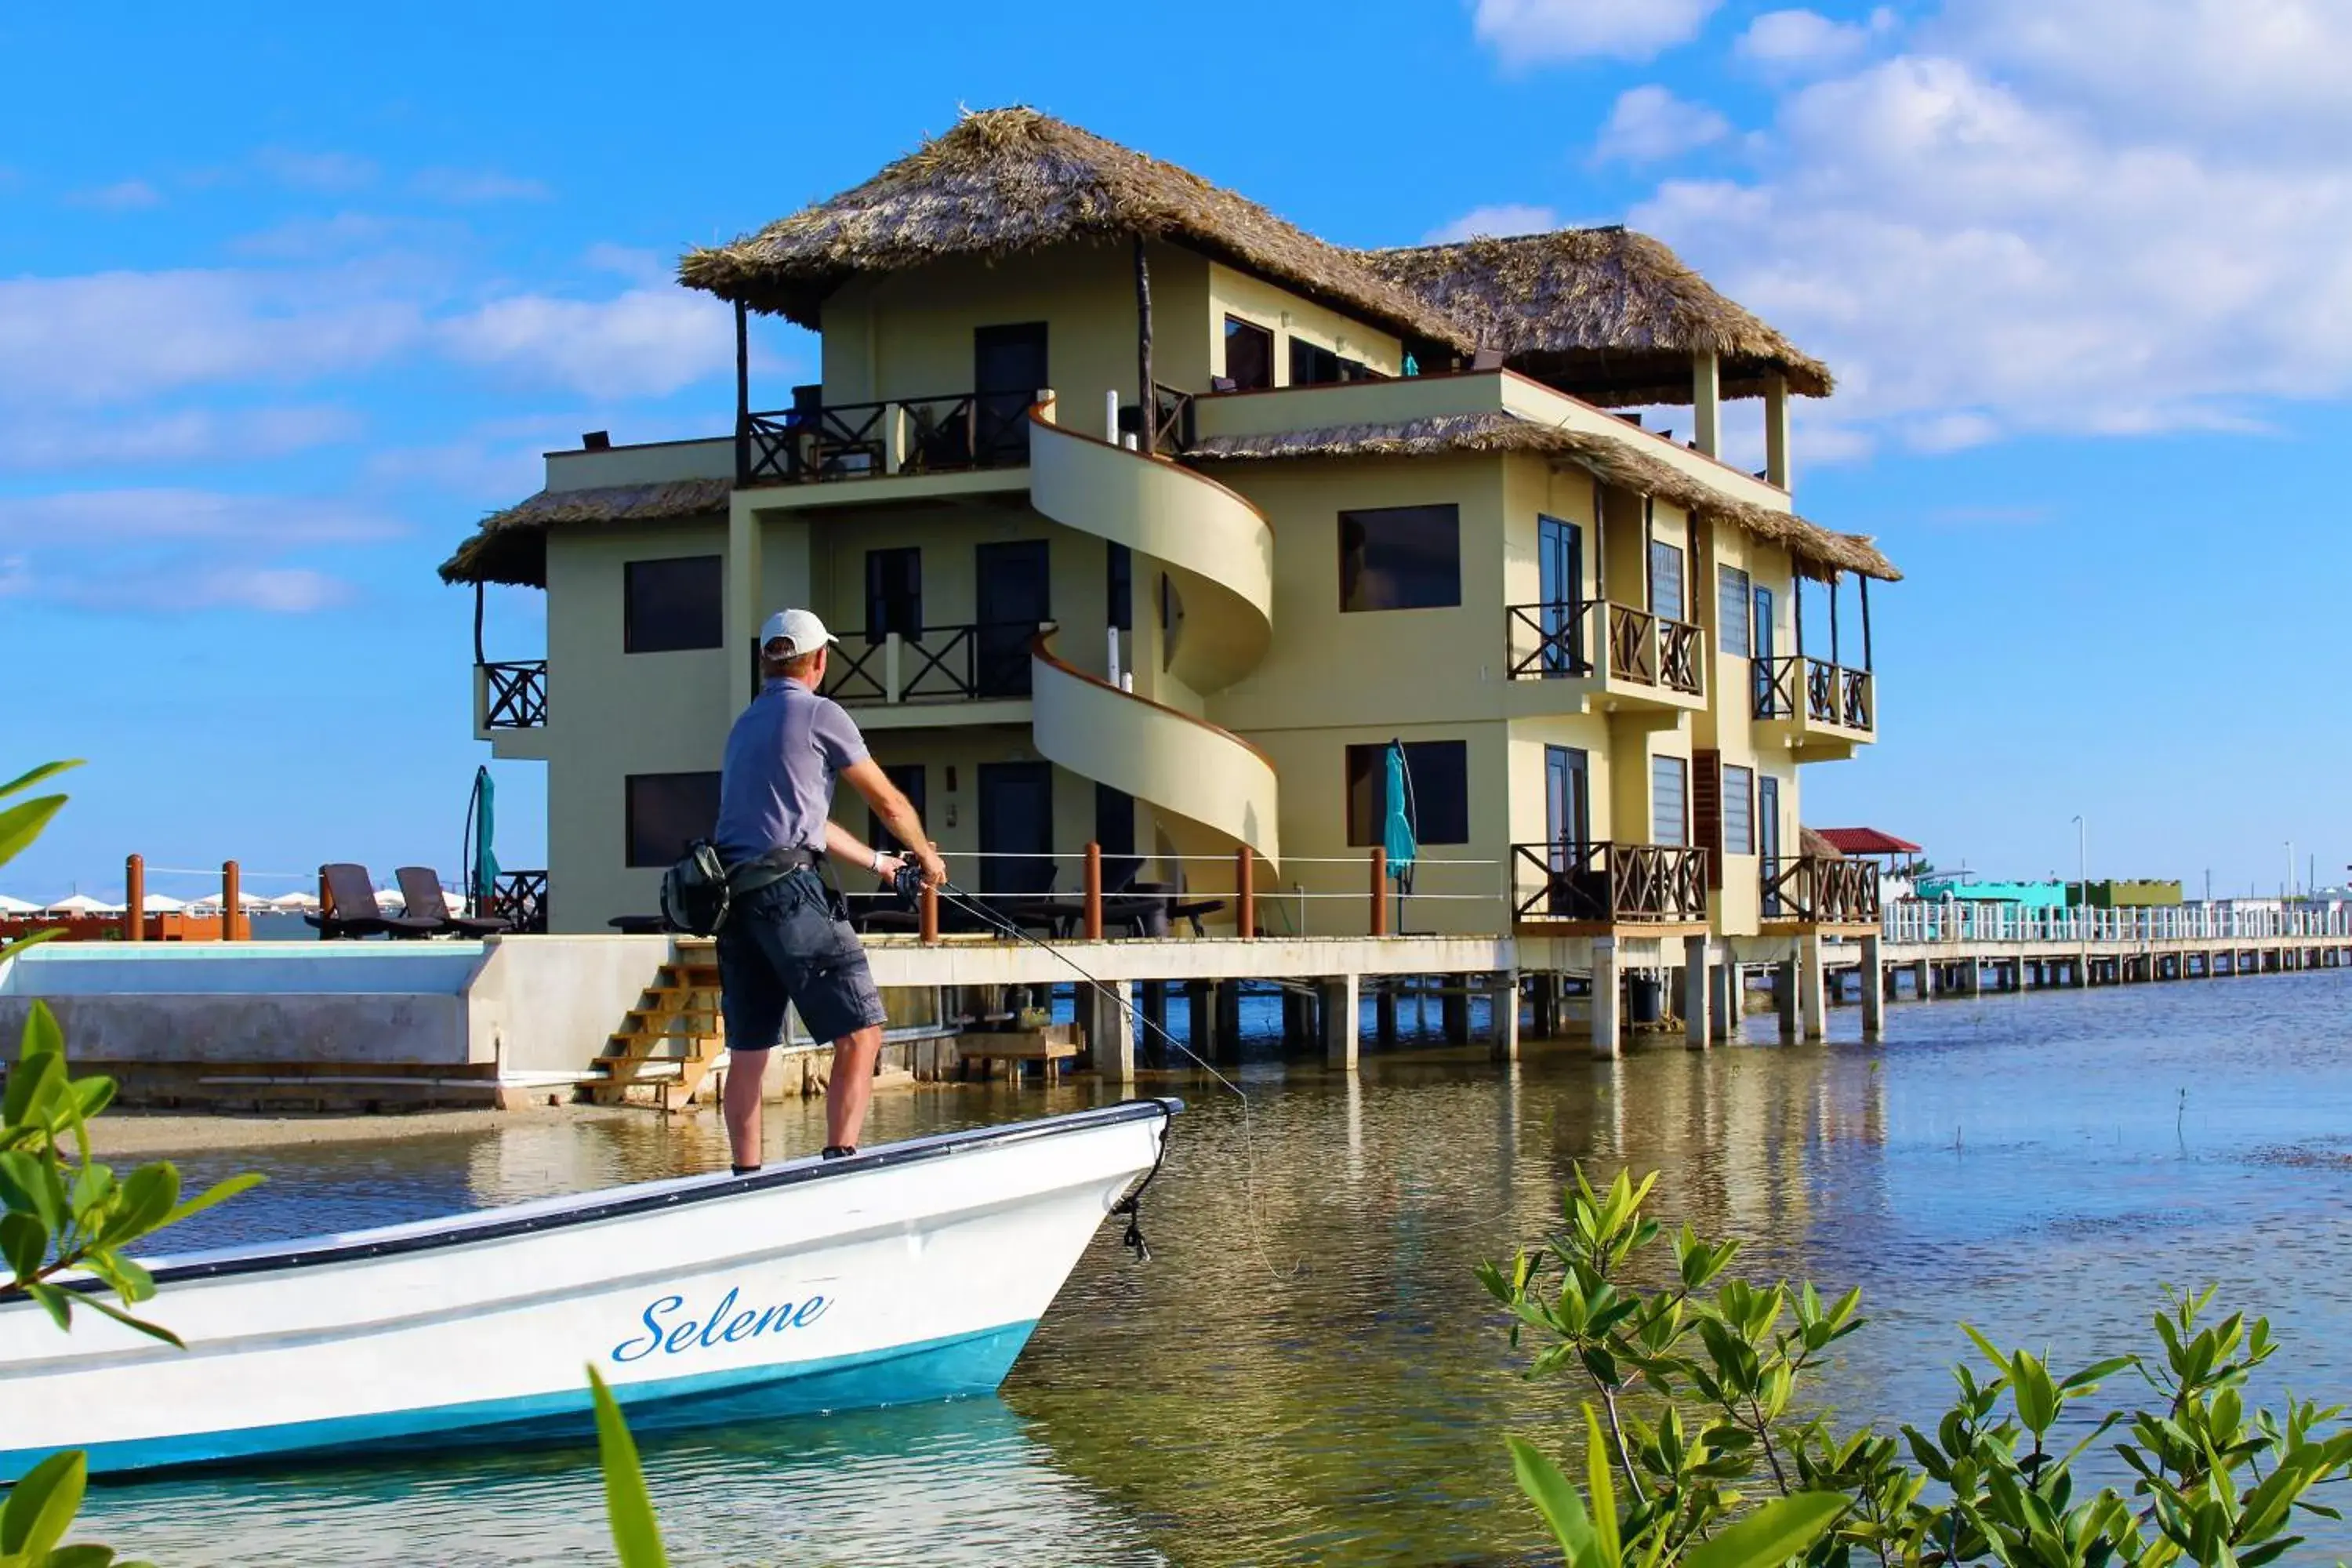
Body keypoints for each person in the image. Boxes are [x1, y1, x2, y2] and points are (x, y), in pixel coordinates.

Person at [711, 608, 947, 1174]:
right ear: (819, 661)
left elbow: (804, 823)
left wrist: (882, 864)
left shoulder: (744, 726)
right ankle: (841, 1163)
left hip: (735, 901)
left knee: (748, 1053)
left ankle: (746, 1180)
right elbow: (886, 801)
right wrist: (926, 853)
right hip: (791, 895)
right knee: (862, 1032)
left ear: (766, 660)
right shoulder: (822, 714)